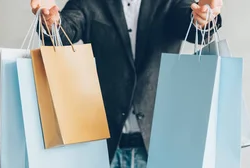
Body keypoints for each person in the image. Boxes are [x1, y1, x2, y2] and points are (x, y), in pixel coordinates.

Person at [30, 0, 223, 167]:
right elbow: (65, 28)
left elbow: (190, 21)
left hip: (158, 147)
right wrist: (51, 22)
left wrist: (204, 17)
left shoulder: (170, 2)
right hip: (101, 149)